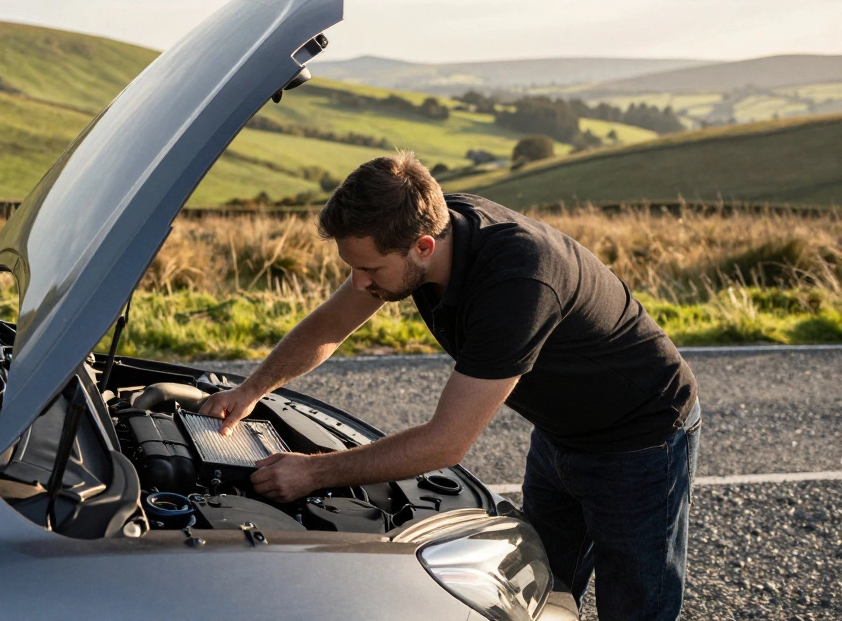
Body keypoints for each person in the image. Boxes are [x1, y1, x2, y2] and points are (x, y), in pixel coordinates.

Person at [199, 151, 700, 620]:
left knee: (636, 607)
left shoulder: (518, 284)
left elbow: (446, 442)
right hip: (560, 432)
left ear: (423, 247)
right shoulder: (430, 226)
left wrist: (311, 474)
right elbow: (330, 324)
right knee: (539, 590)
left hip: (641, 438)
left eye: (368, 268)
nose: (357, 283)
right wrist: (251, 391)